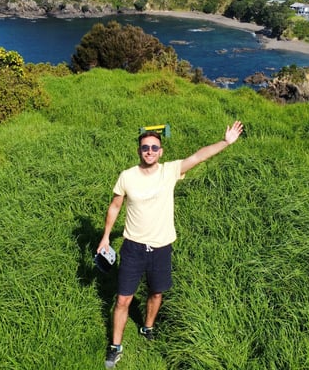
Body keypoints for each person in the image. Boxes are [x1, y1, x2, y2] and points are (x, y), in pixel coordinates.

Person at [98, 121, 244, 368]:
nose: (150, 152)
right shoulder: (127, 176)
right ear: (139, 150)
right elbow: (115, 207)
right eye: (146, 147)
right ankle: (115, 346)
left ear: (161, 151)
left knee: (156, 293)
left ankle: (147, 327)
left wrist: (226, 142)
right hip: (133, 247)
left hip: (162, 247)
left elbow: (198, 156)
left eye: (155, 148)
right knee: (123, 299)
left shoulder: (170, 171)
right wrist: (105, 237)